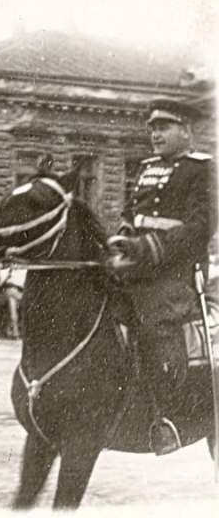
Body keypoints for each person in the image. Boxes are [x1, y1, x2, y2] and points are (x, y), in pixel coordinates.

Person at [110, 98, 216, 456]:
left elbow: (201, 227)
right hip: (136, 269)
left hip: (176, 275)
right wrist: (124, 237)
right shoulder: (147, 168)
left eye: (164, 127)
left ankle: (166, 416)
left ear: (186, 131)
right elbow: (131, 213)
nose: (155, 134)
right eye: (152, 128)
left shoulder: (203, 170)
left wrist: (147, 247)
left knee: (154, 322)